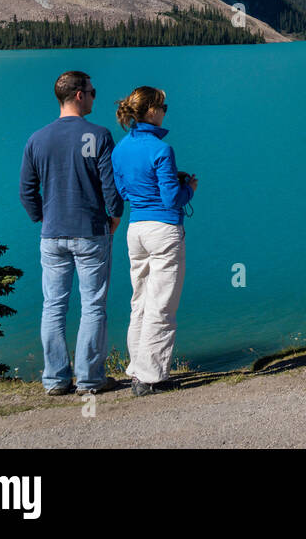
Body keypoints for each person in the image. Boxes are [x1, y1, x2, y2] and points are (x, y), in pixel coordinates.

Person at [19, 70, 122, 395]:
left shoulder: (37, 138)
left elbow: (26, 190)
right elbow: (110, 186)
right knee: (92, 305)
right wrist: (115, 216)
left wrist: (42, 218)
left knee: (54, 305)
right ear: (79, 95)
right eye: (92, 91)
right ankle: (90, 379)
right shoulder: (100, 135)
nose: (94, 96)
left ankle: (55, 380)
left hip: (52, 235)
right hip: (90, 232)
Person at [111, 87, 197, 396]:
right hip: (164, 230)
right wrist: (189, 188)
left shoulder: (120, 149)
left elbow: (122, 191)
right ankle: (151, 378)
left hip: (136, 230)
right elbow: (172, 198)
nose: (165, 111)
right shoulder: (162, 150)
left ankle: (137, 368)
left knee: (141, 301)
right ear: (151, 111)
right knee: (162, 304)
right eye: (164, 106)